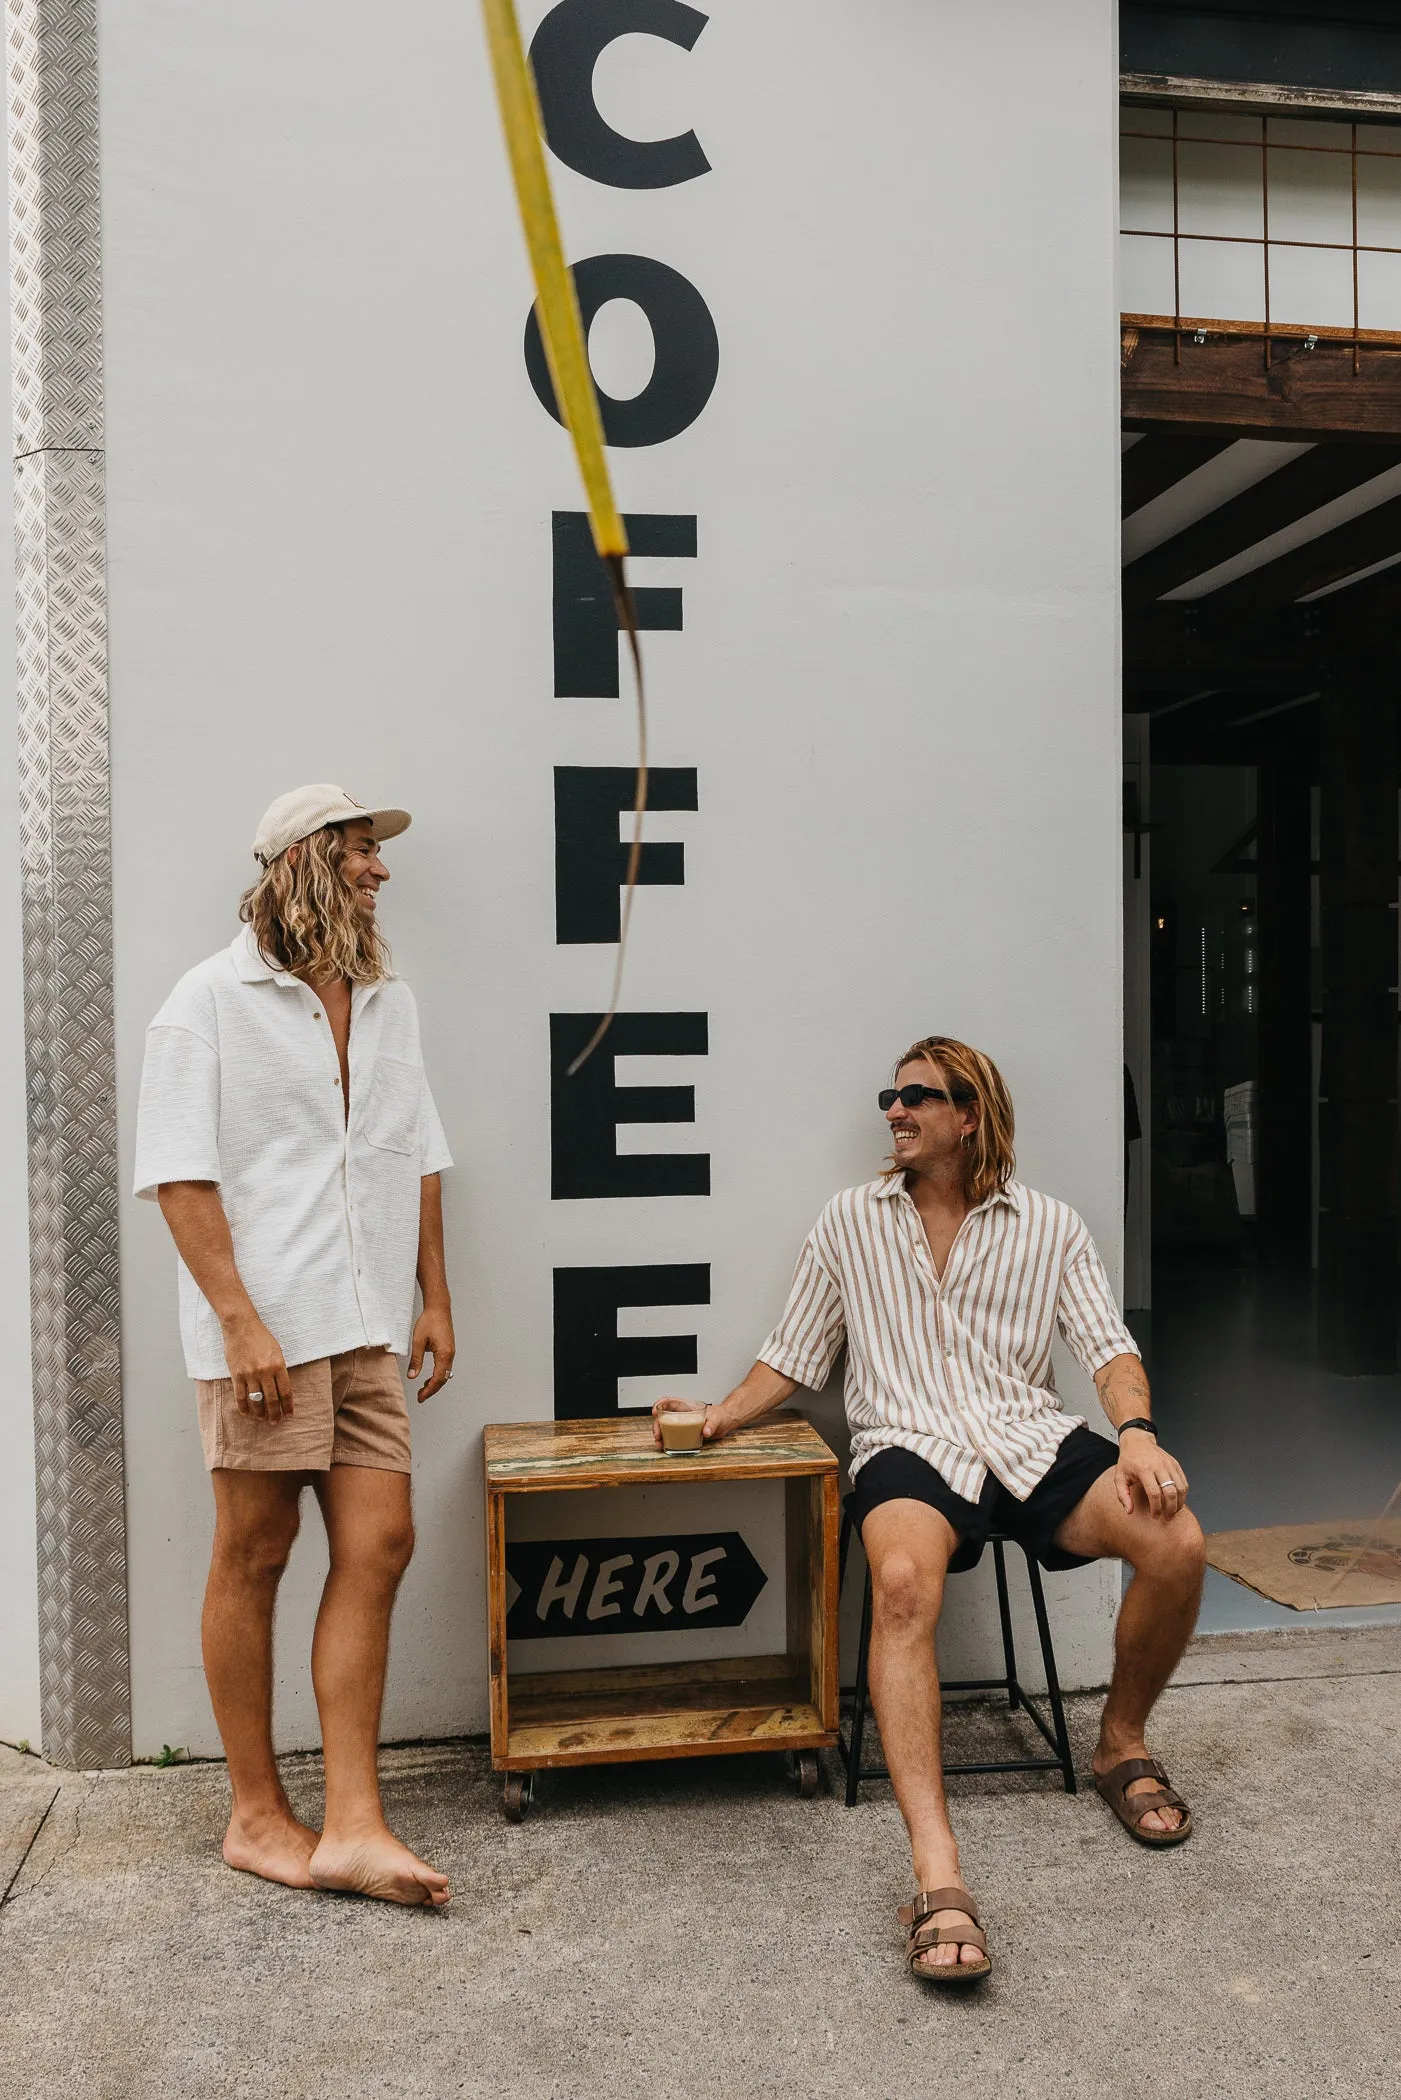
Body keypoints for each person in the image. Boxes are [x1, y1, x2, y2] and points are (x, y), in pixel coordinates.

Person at [653, 1034, 1205, 1986]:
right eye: (890, 1096)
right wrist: (714, 1418)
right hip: (909, 1444)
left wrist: (1139, 1433)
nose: (894, 1112)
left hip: (1026, 1437)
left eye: (916, 1097)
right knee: (901, 1582)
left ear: (970, 1114)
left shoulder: (1050, 1226)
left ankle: (1120, 1743)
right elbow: (795, 1354)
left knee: (1177, 1540)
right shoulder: (849, 1221)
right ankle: (937, 1874)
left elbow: (1108, 1351)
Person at [134, 785, 456, 1906]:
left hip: (367, 1326)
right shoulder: (206, 1003)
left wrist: (435, 1296)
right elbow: (179, 1176)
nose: (379, 871)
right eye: (363, 850)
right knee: (254, 1556)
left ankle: (356, 1821)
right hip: (265, 1334)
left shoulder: (387, 997)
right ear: (303, 861)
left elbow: (414, 1149)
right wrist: (239, 1320)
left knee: (381, 1544)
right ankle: (257, 1815)